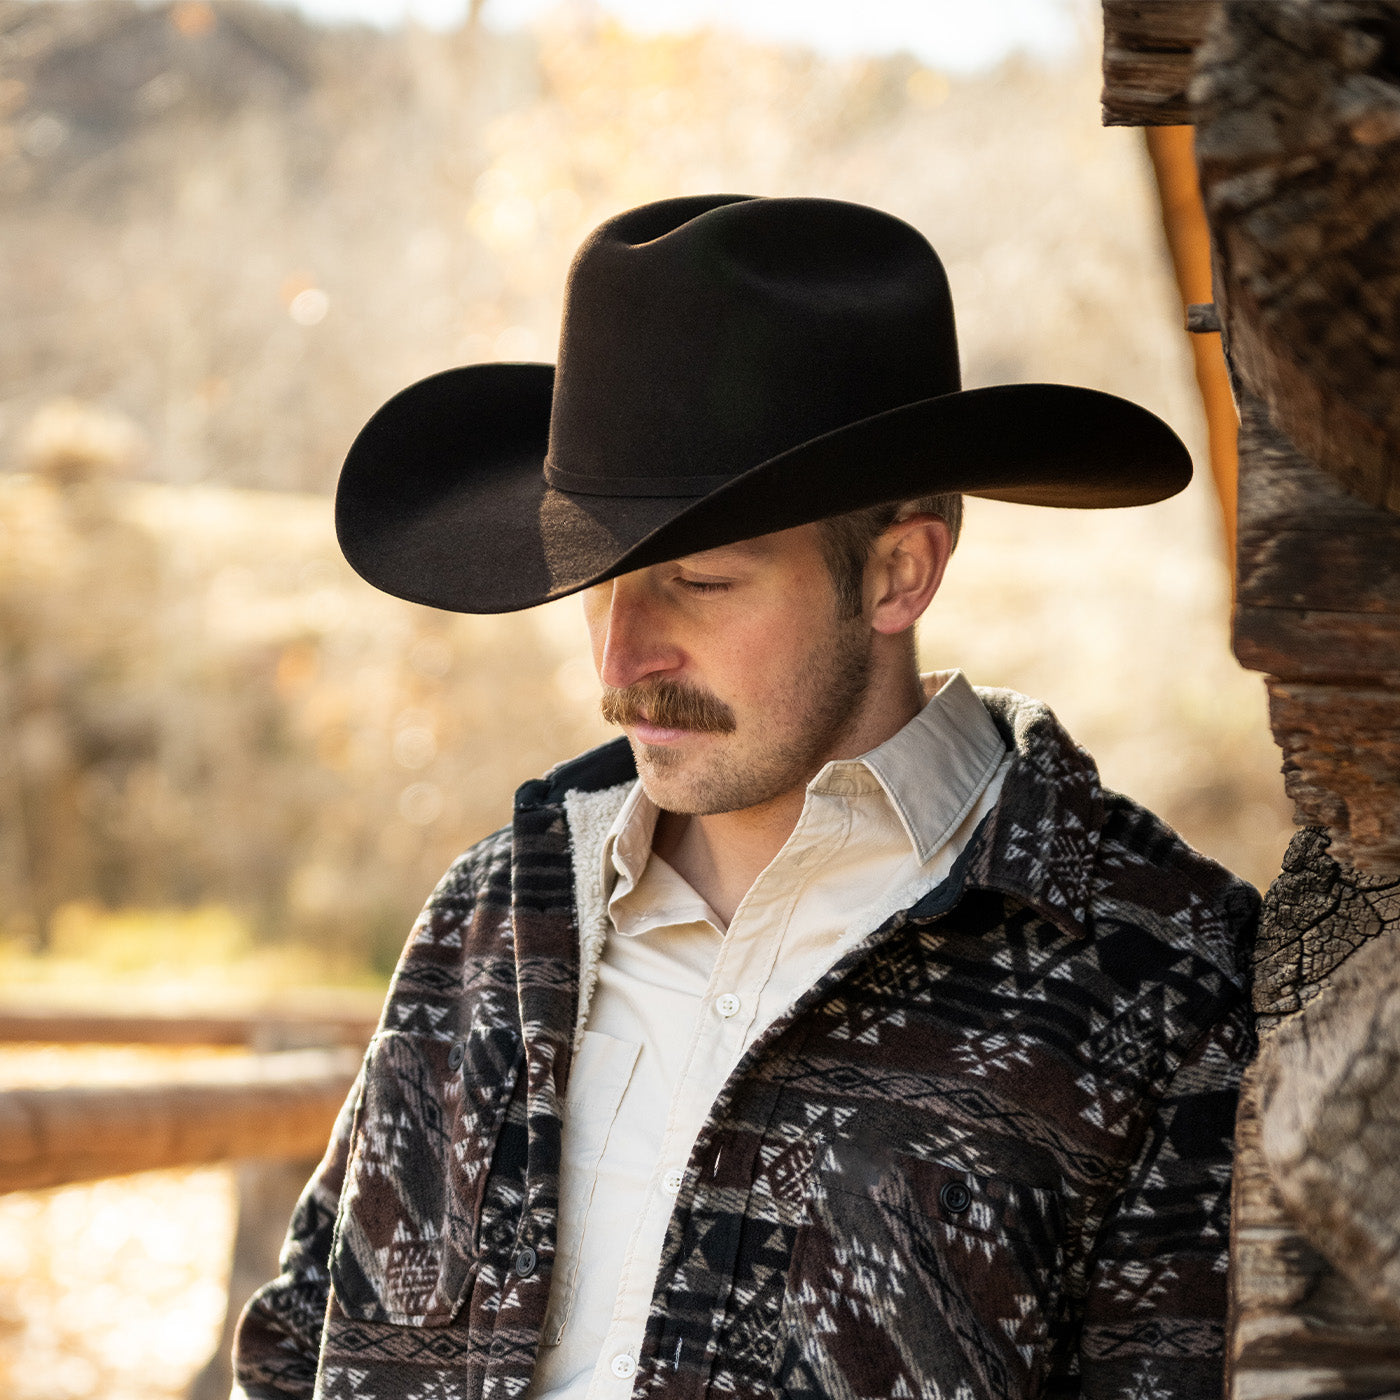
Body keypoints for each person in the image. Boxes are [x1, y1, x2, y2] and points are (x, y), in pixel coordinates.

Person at [233, 195, 1258, 1400]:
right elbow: (298, 1344)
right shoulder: (496, 912)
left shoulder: (1153, 977)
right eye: (598, 586)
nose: (620, 665)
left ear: (897, 571)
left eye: (698, 582)